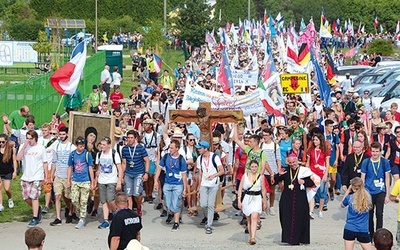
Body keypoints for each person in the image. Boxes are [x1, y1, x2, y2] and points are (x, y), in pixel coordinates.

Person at [274, 154, 314, 245]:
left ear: (297, 161)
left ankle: (300, 239)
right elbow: (275, 181)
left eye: (293, 162)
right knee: (286, 219)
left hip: (300, 199)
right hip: (287, 199)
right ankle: (289, 239)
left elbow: (311, 182)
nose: (292, 164)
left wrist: (304, 182)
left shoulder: (303, 171)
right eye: (290, 162)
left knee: (300, 219)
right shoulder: (286, 170)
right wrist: (278, 174)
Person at [154, 139, 188, 231]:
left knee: (176, 203)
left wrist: (185, 189)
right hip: (168, 183)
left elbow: (184, 176)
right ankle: (171, 213)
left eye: (172, 148)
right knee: (168, 205)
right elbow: (159, 169)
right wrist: (155, 181)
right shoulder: (165, 157)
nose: (170, 150)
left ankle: (176, 223)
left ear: (177, 149)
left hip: (178, 184)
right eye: (170, 148)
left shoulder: (181, 160)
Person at [17, 130, 49, 227]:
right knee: (26, 197)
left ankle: (35, 218)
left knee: (34, 196)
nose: (29, 140)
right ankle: (37, 209)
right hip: (26, 176)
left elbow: (45, 162)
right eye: (28, 138)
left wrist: (46, 176)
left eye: (31, 138)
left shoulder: (41, 148)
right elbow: (18, 158)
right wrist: (24, 147)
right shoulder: (24, 147)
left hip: (37, 176)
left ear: (35, 138)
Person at [361, 142, 391, 239]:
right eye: (373, 151)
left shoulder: (384, 162)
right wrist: (362, 193)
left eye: (377, 151)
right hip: (368, 191)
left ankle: (379, 234)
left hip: (380, 191)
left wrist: (387, 194)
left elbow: (387, 178)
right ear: (370, 151)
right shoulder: (366, 162)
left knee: (379, 213)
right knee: (369, 214)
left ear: (380, 151)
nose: (375, 153)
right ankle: (370, 233)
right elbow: (362, 178)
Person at [50, 127, 77, 226]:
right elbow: (54, 162)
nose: (61, 136)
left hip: (68, 176)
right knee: (57, 196)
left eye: (63, 134)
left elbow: (74, 163)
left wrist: (71, 177)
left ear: (67, 134)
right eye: (60, 134)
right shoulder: (56, 146)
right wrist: (51, 175)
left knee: (68, 197)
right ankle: (58, 218)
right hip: (58, 175)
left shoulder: (72, 147)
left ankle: (70, 211)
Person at [196, 140, 224, 234]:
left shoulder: (214, 157)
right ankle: (209, 217)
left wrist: (214, 175)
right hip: (204, 184)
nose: (198, 149)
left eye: (200, 148)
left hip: (213, 183)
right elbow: (200, 174)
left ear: (206, 148)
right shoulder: (199, 158)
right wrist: (199, 187)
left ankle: (209, 225)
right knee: (203, 204)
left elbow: (222, 170)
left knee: (211, 204)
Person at [67, 136, 95, 229]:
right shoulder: (72, 154)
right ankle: (81, 212)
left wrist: (92, 181)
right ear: (76, 145)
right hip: (75, 180)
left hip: (85, 180)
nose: (81, 147)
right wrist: (68, 180)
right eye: (80, 146)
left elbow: (90, 168)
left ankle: (82, 218)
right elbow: (70, 167)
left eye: (83, 146)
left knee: (83, 200)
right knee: (74, 199)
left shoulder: (87, 154)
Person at [237, 160, 268, 245]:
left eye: (255, 166)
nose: (254, 168)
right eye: (252, 167)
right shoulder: (245, 176)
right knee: (249, 219)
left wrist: (264, 201)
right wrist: (239, 200)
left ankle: (253, 237)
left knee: (254, 216)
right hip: (247, 198)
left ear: (257, 167)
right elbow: (240, 189)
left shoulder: (260, 177)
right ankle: (251, 237)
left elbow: (263, 190)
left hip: (257, 198)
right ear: (249, 167)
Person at [95, 137, 123, 229]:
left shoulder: (114, 154)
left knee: (110, 199)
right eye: (101, 144)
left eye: (104, 145)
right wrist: (95, 181)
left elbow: (120, 168)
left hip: (112, 180)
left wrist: (119, 181)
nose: (102, 146)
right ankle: (106, 220)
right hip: (102, 180)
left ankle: (115, 213)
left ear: (108, 145)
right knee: (103, 201)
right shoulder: (99, 154)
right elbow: (98, 168)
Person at [121, 130, 150, 216]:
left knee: (137, 193)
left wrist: (146, 173)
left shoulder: (140, 148)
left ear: (135, 138)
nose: (129, 140)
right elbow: (124, 163)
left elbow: (147, 161)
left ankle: (138, 206)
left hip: (139, 173)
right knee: (128, 193)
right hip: (128, 173)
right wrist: (122, 175)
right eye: (128, 138)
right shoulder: (125, 149)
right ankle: (130, 212)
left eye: (131, 138)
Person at [341, 177, 372, 250]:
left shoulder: (350, 198)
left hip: (350, 227)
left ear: (352, 187)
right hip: (363, 229)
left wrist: (348, 191)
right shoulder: (368, 197)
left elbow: (342, 205)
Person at [0, 134, 17, 211]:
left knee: (7, 189)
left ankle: (10, 198)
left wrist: (15, 171)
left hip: (8, 171)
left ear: (6, 141)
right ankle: (1, 204)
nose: (1, 143)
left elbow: (14, 160)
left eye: (3, 142)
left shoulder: (11, 149)